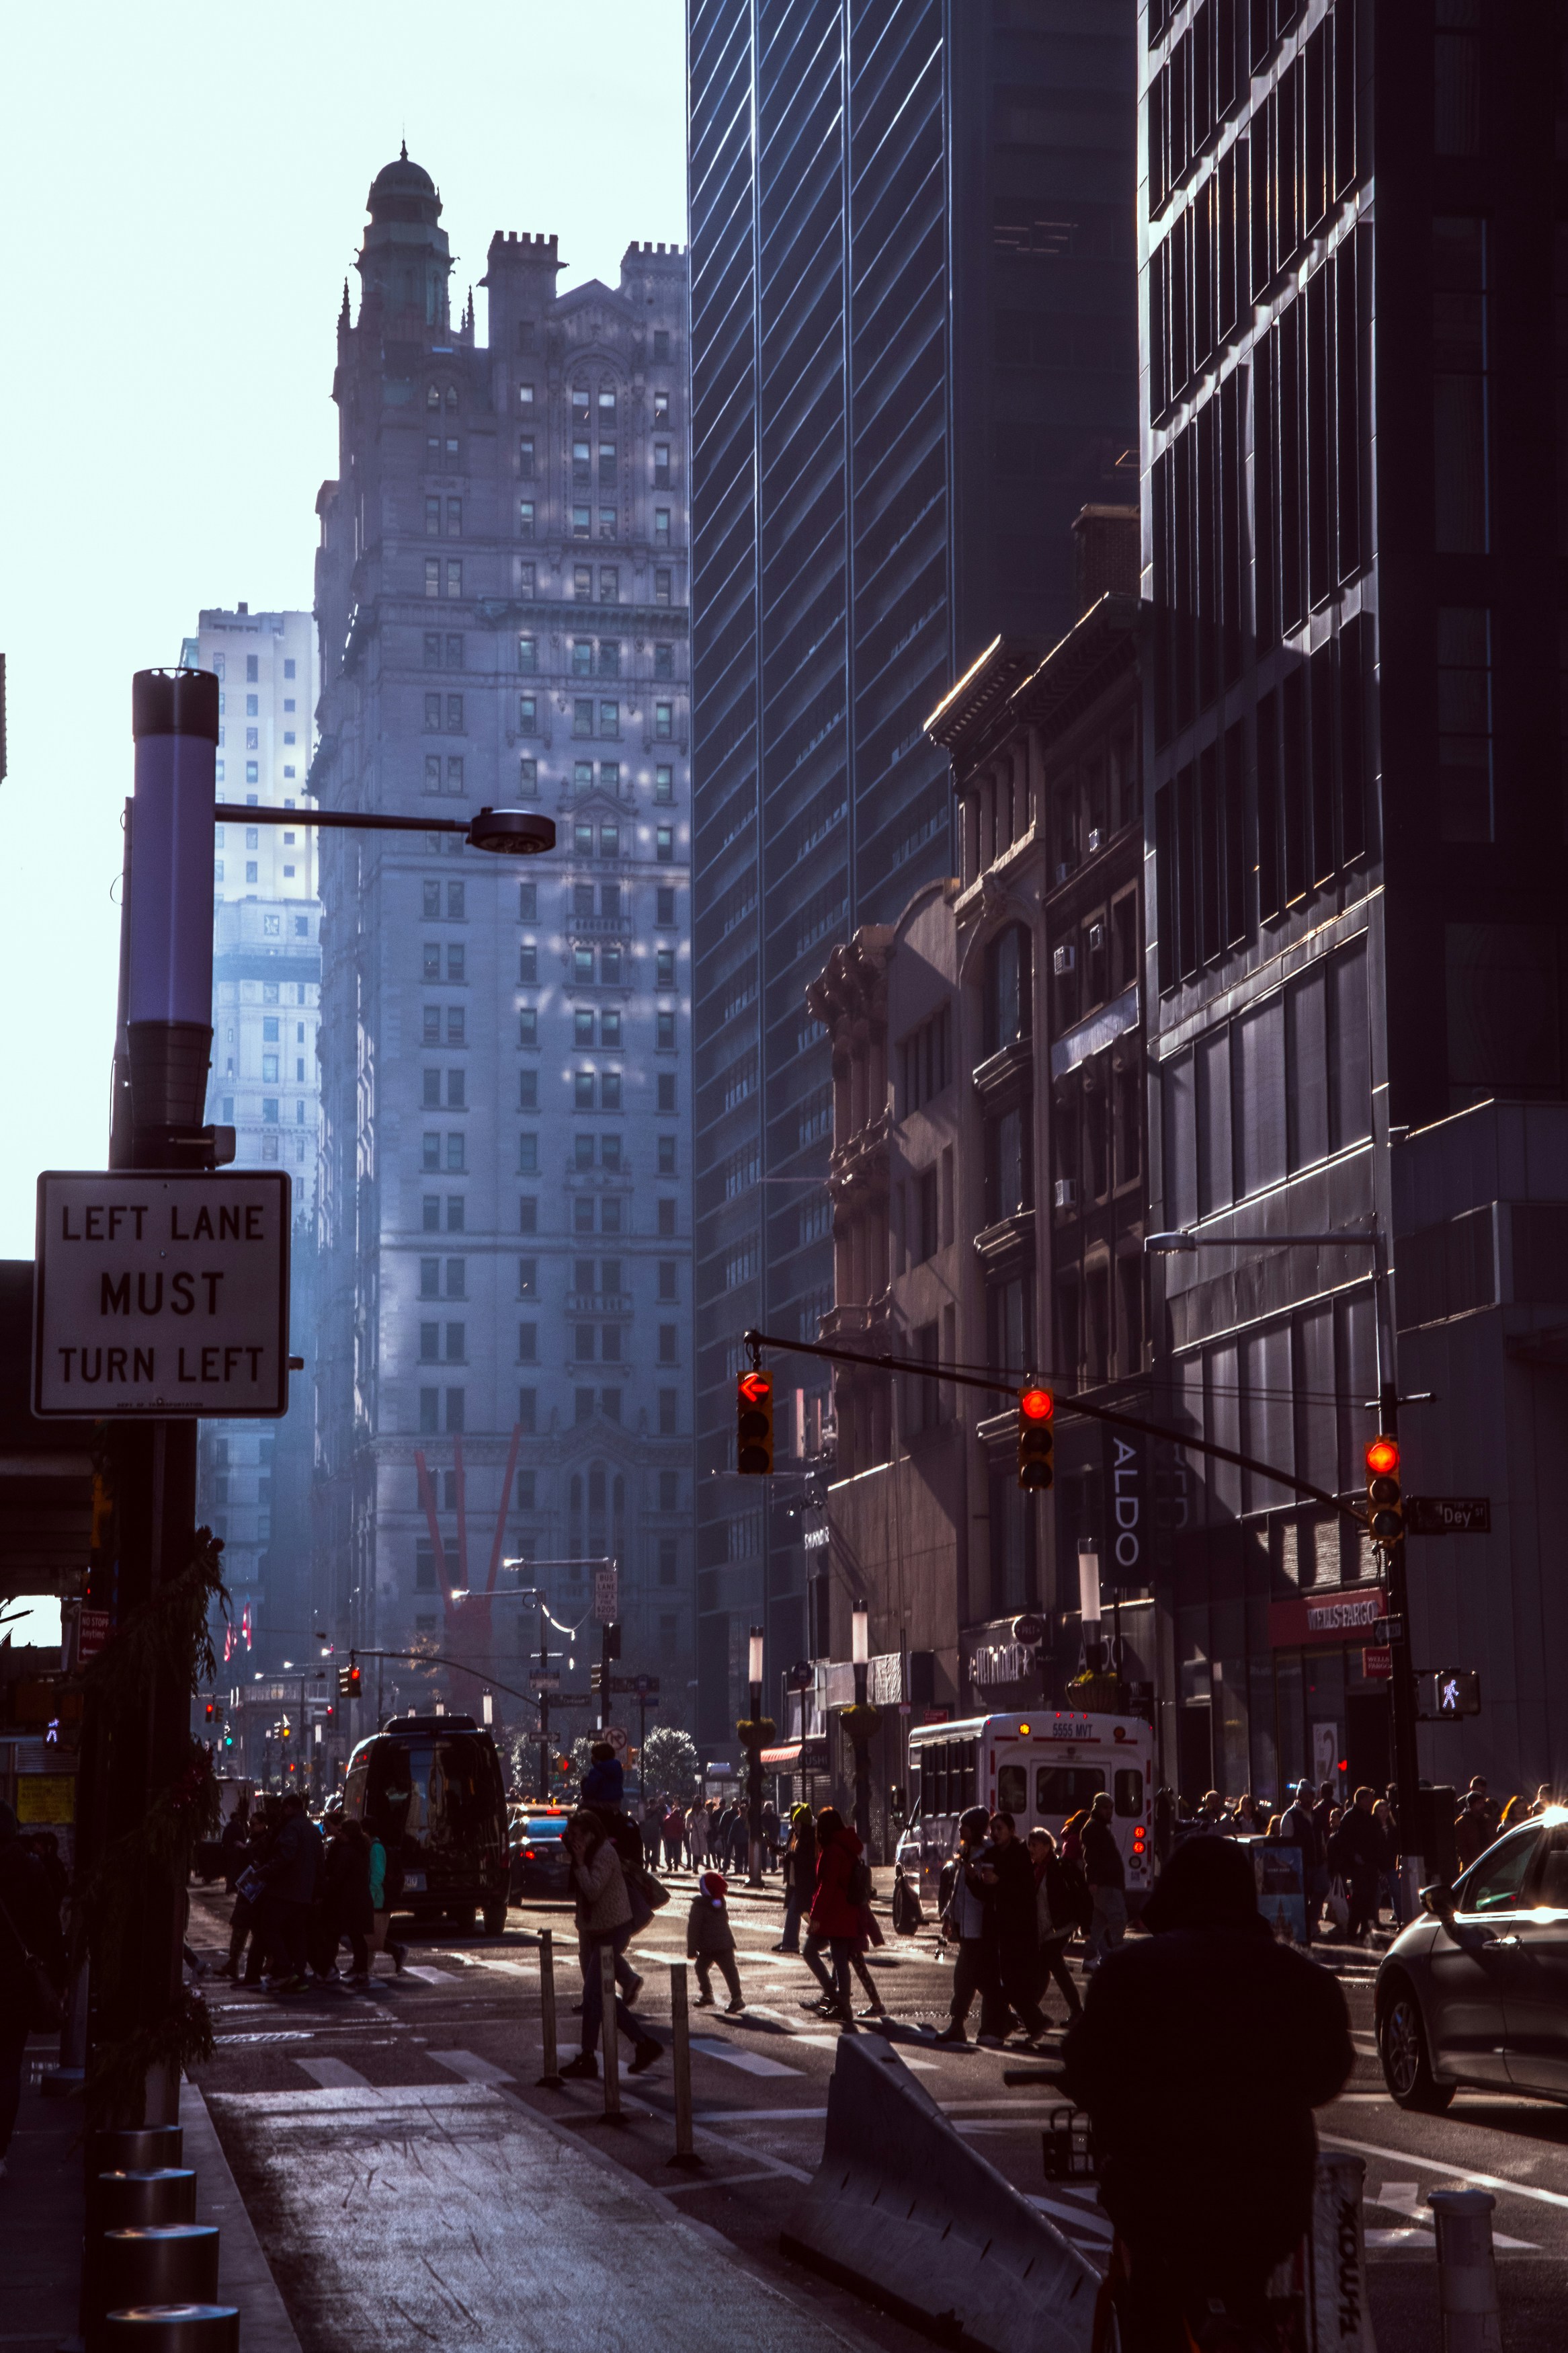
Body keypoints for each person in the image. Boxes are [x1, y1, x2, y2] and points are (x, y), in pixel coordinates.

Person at [1062, 1834, 1353, 2352]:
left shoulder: (1128, 1975)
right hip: (1271, 2199)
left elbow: (1087, 2069)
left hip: (1158, 2196)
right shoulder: (1303, 1981)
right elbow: (1327, 2075)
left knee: (1152, 2298)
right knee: (1253, 2295)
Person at [559, 1810, 661, 2079]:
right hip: (596, 1931)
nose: (575, 1840)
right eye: (572, 1835)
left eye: (579, 1835)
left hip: (612, 1931)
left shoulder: (603, 1854)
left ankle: (589, 2056)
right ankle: (642, 2044)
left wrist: (579, 1861)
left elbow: (593, 1890)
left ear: (592, 1834)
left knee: (594, 1995)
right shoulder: (589, 1852)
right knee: (601, 1996)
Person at [0, 1800, 66, 2177]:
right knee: (8, 2068)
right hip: (16, 1986)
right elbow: (48, 1930)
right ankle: (0, 2150)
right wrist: (56, 1980)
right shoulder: (30, 1869)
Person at [973, 1811, 1051, 2043]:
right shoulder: (992, 1854)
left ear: (1012, 1831)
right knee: (995, 1978)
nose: (995, 1833)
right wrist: (974, 1879)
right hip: (997, 1926)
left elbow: (1024, 1891)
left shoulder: (1020, 1854)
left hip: (1017, 1928)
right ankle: (1023, 2022)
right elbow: (986, 1894)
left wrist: (1000, 1882)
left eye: (1000, 1829)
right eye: (993, 1829)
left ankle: (1007, 2026)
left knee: (1010, 1979)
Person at [934, 1807, 1008, 2046]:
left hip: (981, 1925)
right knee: (976, 1978)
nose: (959, 1829)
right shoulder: (964, 1852)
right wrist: (948, 1917)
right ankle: (1011, 2017)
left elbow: (985, 1892)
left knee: (966, 1976)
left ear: (975, 1828)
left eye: (964, 1825)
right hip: (965, 1925)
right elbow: (957, 1890)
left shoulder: (988, 1853)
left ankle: (961, 2025)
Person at [800, 1805, 865, 2026]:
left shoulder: (833, 1851)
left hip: (833, 1912)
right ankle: (839, 2001)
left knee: (812, 1952)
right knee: (839, 1959)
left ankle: (837, 1997)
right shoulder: (845, 1847)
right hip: (844, 1911)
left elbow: (827, 1886)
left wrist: (815, 1916)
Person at [255, 1792, 321, 1994]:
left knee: (269, 1927)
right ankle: (299, 1975)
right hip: (304, 1892)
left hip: (286, 1890)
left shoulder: (292, 1828)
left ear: (290, 1808)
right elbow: (320, 1862)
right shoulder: (311, 1829)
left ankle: (285, 1968)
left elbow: (285, 1857)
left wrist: (263, 1873)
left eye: (284, 1808)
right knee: (297, 1933)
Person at [1027, 1827, 1083, 2024]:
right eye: (1029, 1845)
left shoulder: (1057, 1867)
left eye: (1034, 1845)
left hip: (1061, 1926)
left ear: (1045, 1846)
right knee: (1052, 1966)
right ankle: (1034, 2013)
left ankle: (1032, 2013)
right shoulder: (1036, 1869)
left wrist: (1084, 1923)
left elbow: (1074, 1895)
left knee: (1048, 1964)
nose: (1031, 1849)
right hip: (1048, 1927)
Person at [687, 1870, 745, 2013]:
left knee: (700, 1968)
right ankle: (737, 1998)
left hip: (708, 1947)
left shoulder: (699, 1906)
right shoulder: (720, 1903)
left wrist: (691, 1950)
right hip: (725, 1944)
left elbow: (693, 1929)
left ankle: (707, 1994)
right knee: (730, 1972)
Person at [1082, 1791, 1126, 1970]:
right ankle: (1118, 1957)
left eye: (1110, 1808)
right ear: (1097, 1808)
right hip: (1106, 1883)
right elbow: (1091, 1856)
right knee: (1118, 1918)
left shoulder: (1097, 1828)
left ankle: (1089, 1959)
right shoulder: (1094, 1829)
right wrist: (1093, 1879)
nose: (1108, 1812)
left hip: (1105, 1882)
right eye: (1105, 1808)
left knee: (1098, 1923)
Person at [1333, 1785, 1384, 1942]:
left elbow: (1378, 1840)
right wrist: (1354, 1856)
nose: (1371, 1803)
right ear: (1361, 1800)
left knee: (1369, 1898)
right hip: (1356, 1866)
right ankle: (1353, 1930)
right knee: (1359, 1898)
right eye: (1369, 1800)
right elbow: (1343, 1841)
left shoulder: (1370, 1819)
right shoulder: (1350, 1817)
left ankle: (1364, 1930)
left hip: (1370, 1864)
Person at [366, 1827, 408, 1977]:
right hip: (378, 1896)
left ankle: (365, 1969)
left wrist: (372, 1896)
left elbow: (377, 1876)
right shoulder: (374, 1847)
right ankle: (365, 1968)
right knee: (371, 1934)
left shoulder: (376, 1848)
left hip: (378, 1897)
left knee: (370, 1934)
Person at [775, 1803, 815, 1953]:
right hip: (794, 1880)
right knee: (804, 1913)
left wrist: (790, 1856)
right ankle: (790, 1942)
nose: (794, 1824)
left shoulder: (809, 1837)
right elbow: (790, 1851)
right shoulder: (796, 1835)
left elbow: (806, 1859)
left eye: (796, 1821)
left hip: (804, 1881)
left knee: (796, 1912)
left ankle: (791, 1943)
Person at [1454, 1788, 1492, 1869]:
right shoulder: (1462, 1823)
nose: (1482, 1806)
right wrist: (1470, 1867)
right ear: (1471, 1805)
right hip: (1472, 1865)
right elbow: (1462, 1848)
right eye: (1479, 1803)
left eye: (1483, 1803)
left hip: (1488, 1863)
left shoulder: (1487, 1820)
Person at [581, 1743, 624, 1809]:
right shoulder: (617, 1768)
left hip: (600, 1804)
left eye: (593, 1755)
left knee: (581, 1810)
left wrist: (584, 1783)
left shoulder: (597, 1771)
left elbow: (589, 1792)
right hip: (616, 1804)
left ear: (598, 1757)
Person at [663, 1801, 686, 1874]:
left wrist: (664, 1835)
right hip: (677, 1838)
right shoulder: (679, 1820)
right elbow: (682, 1830)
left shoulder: (667, 1819)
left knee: (669, 1853)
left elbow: (664, 1828)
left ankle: (670, 1866)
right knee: (676, 1853)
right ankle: (676, 1867)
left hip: (668, 1838)